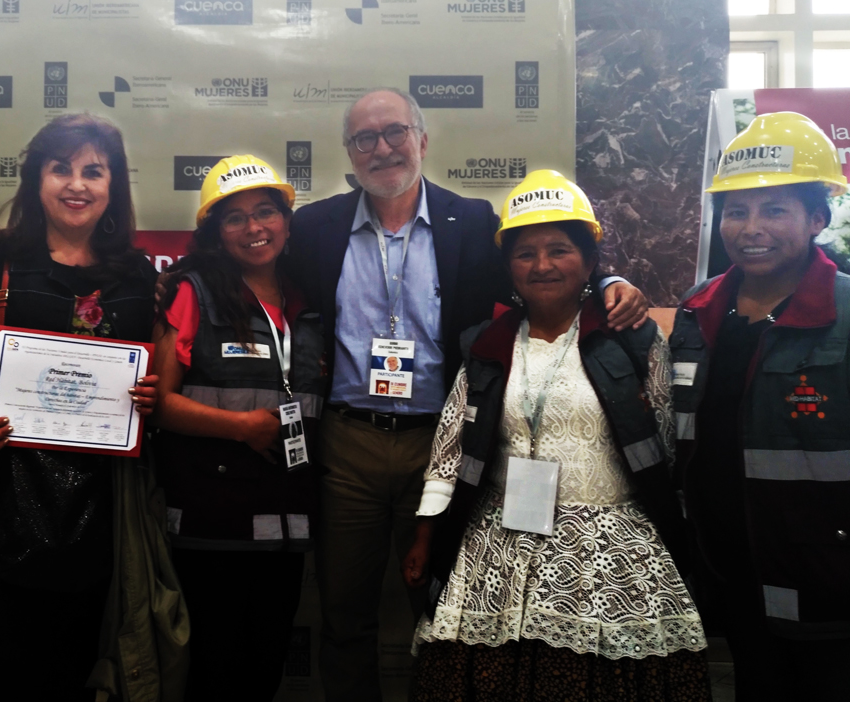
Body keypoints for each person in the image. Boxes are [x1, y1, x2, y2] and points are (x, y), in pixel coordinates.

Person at [287, 87, 650, 701]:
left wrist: (611, 279)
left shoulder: (474, 221)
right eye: (365, 138)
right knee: (344, 612)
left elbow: (545, 266)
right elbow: (259, 280)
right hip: (347, 445)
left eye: (396, 132)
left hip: (443, 446)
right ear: (349, 152)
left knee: (443, 609)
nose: (382, 148)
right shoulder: (315, 226)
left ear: (422, 140)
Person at [402, 170, 710, 701]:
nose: (541, 265)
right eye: (525, 254)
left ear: (590, 262)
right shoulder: (488, 345)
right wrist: (427, 534)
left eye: (559, 250)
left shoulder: (633, 340)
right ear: (508, 268)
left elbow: (664, 444)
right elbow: (449, 447)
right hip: (498, 546)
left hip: (608, 550)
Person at [0, 114, 161, 701]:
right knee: (1, 661)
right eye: (61, 168)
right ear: (36, 180)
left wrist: (150, 395)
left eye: (94, 171)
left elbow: (152, 381)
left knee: (78, 661)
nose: (77, 184)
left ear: (114, 185)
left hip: (101, 500)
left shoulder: (137, 277)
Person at [672, 111, 850, 700]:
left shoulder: (845, 312)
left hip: (829, 579)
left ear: (817, 218)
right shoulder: (698, 310)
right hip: (729, 566)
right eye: (737, 211)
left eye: (774, 210)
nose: (751, 228)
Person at [151, 155, 327, 701]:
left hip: (286, 519)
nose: (254, 227)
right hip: (213, 521)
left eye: (266, 212)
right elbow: (158, 404)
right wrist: (239, 427)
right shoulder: (192, 292)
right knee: (215, 668)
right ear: (215, 232)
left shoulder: (308, 301)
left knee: (264, 665)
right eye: (235, 217)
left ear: (286, 222)